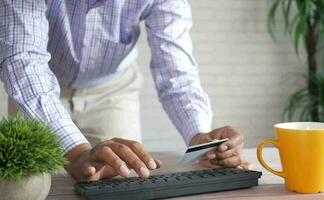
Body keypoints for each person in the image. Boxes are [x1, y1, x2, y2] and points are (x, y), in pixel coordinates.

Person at [0, 0, 252, 181]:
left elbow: (177, 71)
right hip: (38, 87)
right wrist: (76, 154)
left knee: (122, 179)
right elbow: (23, 61)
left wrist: (200, 137)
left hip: (113, 90)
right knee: (27, 188)